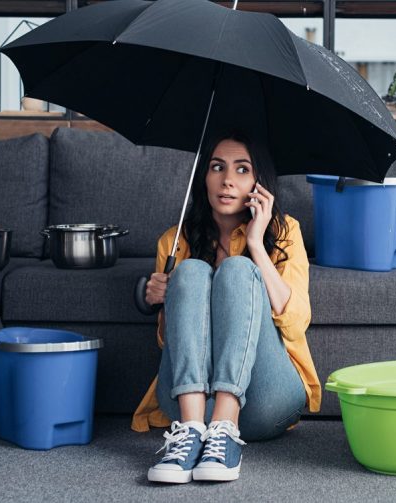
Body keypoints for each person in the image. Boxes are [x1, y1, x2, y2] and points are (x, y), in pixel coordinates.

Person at [131, 130, 321, 484]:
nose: (228, 180)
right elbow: (168, 344)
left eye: (242, 169)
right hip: (190, 403)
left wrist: (256, 246)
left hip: (267, 400)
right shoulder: (175, 242)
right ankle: (189, 433)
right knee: (190, 271)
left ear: (259, 183)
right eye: (217, 167)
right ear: (204, 176)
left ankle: (226, 427)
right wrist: (159, 299)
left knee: (237, 269)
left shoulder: (284, 232)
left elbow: (295, 323)